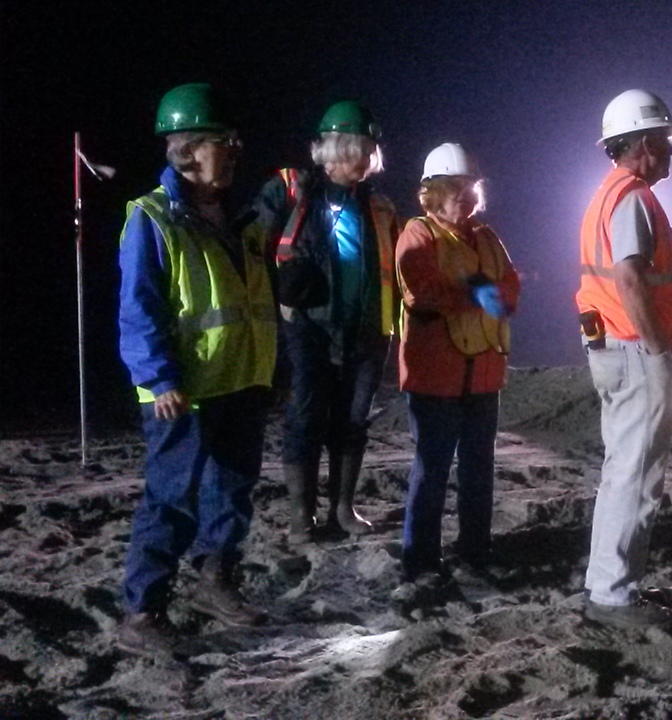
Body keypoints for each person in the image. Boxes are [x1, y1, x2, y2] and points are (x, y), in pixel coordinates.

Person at [117, 83, 277, 656]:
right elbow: (140, 308)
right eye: (221, 141)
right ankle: (141, 612)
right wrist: (160, 378)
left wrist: (268, 371)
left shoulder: (243, 222)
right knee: (171, 499)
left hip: (240, 382)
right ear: (187, 148)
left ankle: (215, 581)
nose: (234, 151)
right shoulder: (154, 218)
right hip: (181, 394)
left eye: (234, 141)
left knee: (231, 493)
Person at [255, 101, 399, 543]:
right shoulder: (291, 191)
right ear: (336, 148)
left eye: (369, 152)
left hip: (367, 330)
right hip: (308, 327)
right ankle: (302, 516)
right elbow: (252, 244)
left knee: (354, 420)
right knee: (305, 415)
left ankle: (343, 509)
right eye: (359, 150)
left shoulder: (378, 206)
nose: (366, 160)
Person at [576, 89, 672, 629]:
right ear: (643, 142)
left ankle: (608, 584)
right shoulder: (635, 197)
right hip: (632, 347)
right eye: (665, 139)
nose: (671, 149)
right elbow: (629, 275)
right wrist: (655, 342)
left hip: (610, 346)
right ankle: (613, 595)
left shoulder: (608, 193)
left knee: (623, 468)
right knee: (637, 472)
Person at [395, 143, 519, 582]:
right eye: (453, 188)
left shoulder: (485, 237)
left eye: (470, 188)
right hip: (436, 376)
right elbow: (419, 290)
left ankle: (474, 552)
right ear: (431, 193)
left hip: (483, 373)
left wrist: (499, 294)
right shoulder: (419, 235)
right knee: (431, 469)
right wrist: (472, 294)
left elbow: (510, 285)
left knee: (478, 469)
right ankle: (420, 560)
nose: (464, 197)